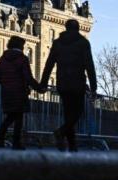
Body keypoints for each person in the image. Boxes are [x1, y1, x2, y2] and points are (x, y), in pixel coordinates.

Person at [40, 19, 97, 152]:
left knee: (68, 114)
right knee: (77, 113)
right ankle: (61, 132)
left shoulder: (57, 43)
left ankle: (72, 146)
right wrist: (93, 87)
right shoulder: (83, 43)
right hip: (77, 83)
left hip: (62, 83)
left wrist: (43, 83)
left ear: (65, 28)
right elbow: (90, 65)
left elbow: (49, 64)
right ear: (78, 28)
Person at [0, 36, 39, 149]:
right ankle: (15, 142)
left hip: (7, 91)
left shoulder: (3, 58)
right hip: (19, 91)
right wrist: (38, 88)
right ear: (20, 46)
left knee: (10, 116)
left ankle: (0, 139)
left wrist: (5, 84)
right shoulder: (22, 58)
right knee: (18, 117)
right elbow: (28, 77)